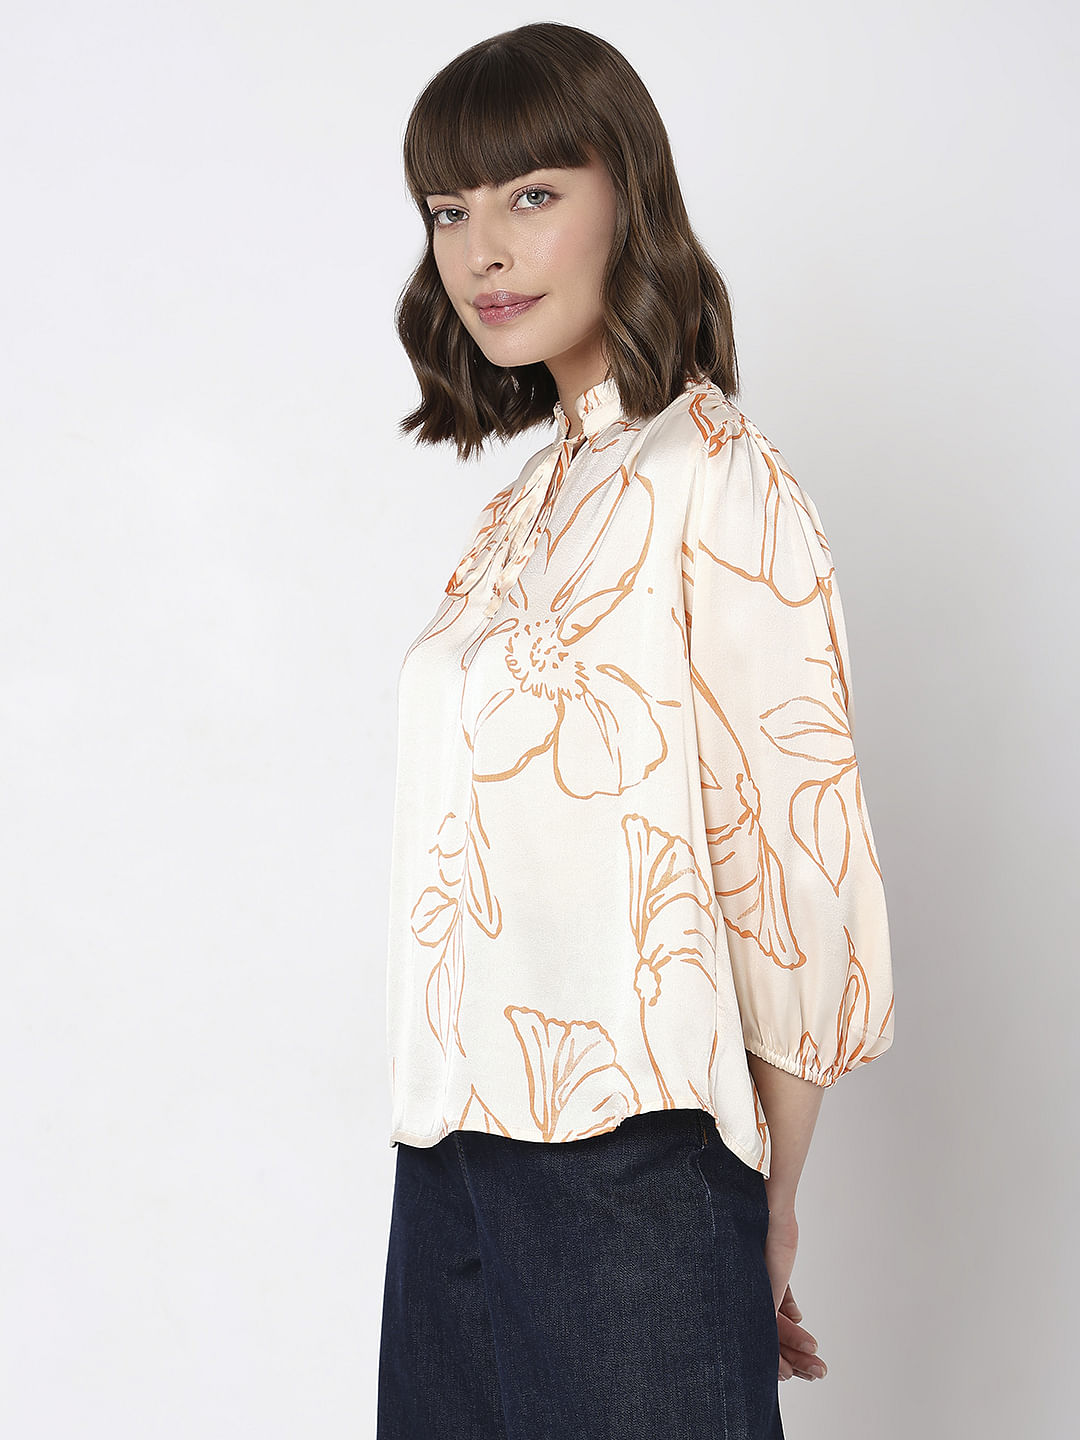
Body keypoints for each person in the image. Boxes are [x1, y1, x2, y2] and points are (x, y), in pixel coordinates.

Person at [377, 21, 895, 1440]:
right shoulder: (525, 506)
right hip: (449, 1154)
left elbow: (793, 859)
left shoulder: (714, 473)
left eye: (532, 193)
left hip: (634, 1164)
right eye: (449, 209)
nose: (483, 249)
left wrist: (765, 1198)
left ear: (631, 198)